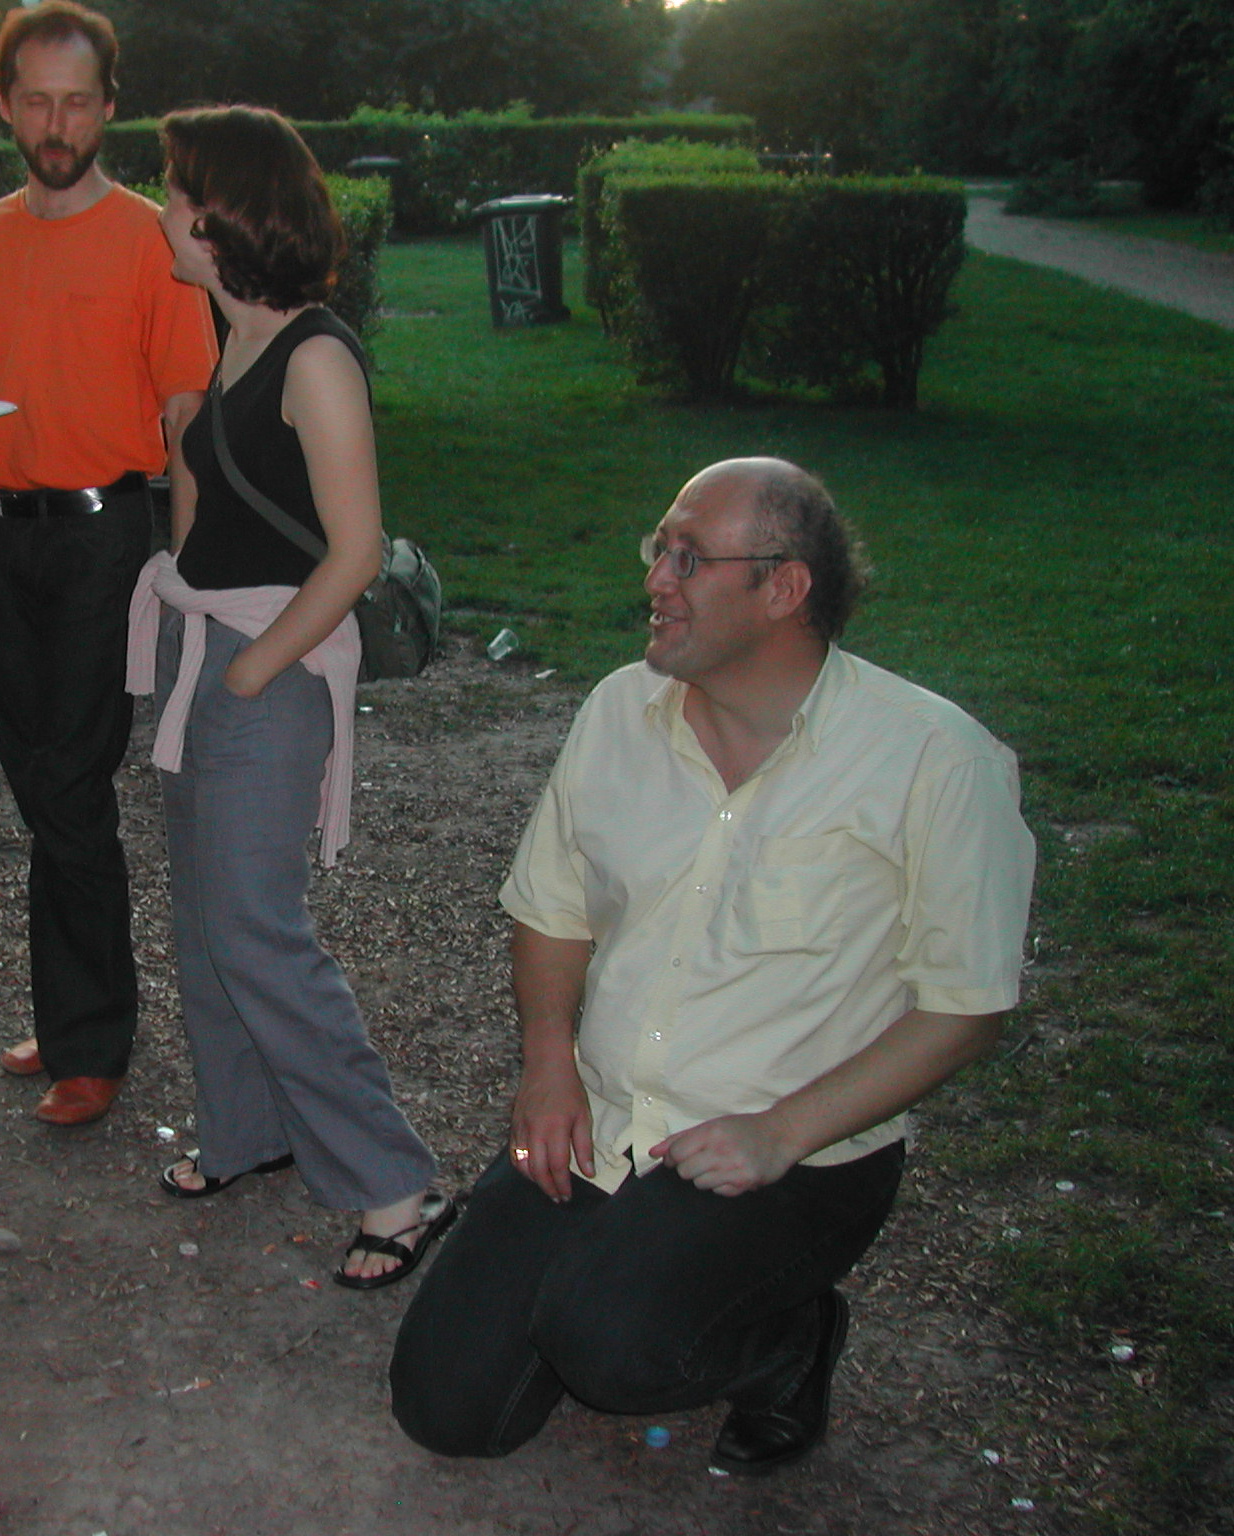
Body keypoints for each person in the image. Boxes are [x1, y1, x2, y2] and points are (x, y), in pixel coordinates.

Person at [389, 459, 1036, 1474]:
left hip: (793, 1152)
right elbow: (551, 909)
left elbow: (964, 1009)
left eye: (689, 559)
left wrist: (780, 1131)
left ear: (784, 589)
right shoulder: (619, 710)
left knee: (612, 1345)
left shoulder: (934, 761)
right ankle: (614, 1280)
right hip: (605, 1122)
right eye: (660, 549)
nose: (656, 578)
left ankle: (788, 1344)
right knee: (445, 1410)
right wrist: (548, 1062)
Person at [122, 106, 452, 1288]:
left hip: (266, 667)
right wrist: (181, 458)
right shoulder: (234, 340)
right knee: (203, 923)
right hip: (205, 654)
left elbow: (353, 552)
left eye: (174, 192)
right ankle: (246, 1131)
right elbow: (206, 531)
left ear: (222, 217)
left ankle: (394, 1182)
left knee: (258, 932)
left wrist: (253, 669)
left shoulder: (313, 355)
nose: (160, 210)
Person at [0, 0, 218, 1126]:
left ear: (108, 108)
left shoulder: (147, 240)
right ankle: (71, 1008)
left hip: (102, 536)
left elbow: (185, 411)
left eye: (76, 102)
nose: (56, 123)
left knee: (72, 780)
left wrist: (189, 564)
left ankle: (92, 1043)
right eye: (36, 101)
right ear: (5, 104)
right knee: (37, 777)